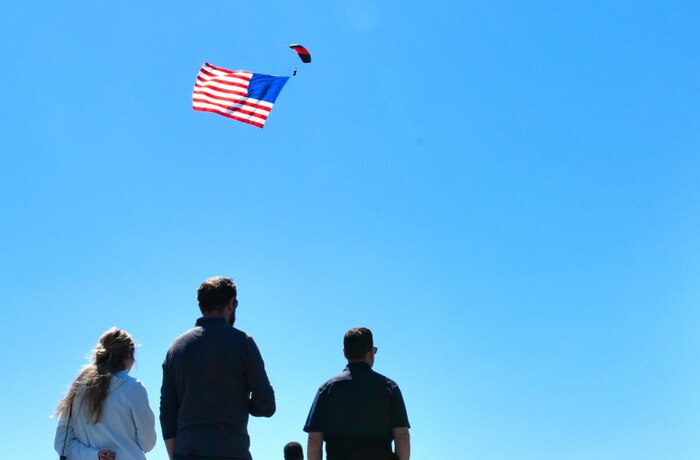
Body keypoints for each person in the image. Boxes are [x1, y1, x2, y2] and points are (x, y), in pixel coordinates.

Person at [160, 276, 275, 460]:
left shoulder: (176, 348)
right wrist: (241, 401)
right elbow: (267, 406)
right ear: (231, 304)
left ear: (200, 306)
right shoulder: (243, 343)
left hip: (187, 453)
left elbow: (167, 412)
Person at [303, 327, 411, 460]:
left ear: (345, 353)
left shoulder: (327, 389)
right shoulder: (389, 388)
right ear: (371, 352)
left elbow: (314, 440)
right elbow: (402, 437)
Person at [54, 327, 157, 460]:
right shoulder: (133, 388)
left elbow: (62, 444)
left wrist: (95, 455)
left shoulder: (77, 390)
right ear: (129, 353)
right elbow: (148, 444)